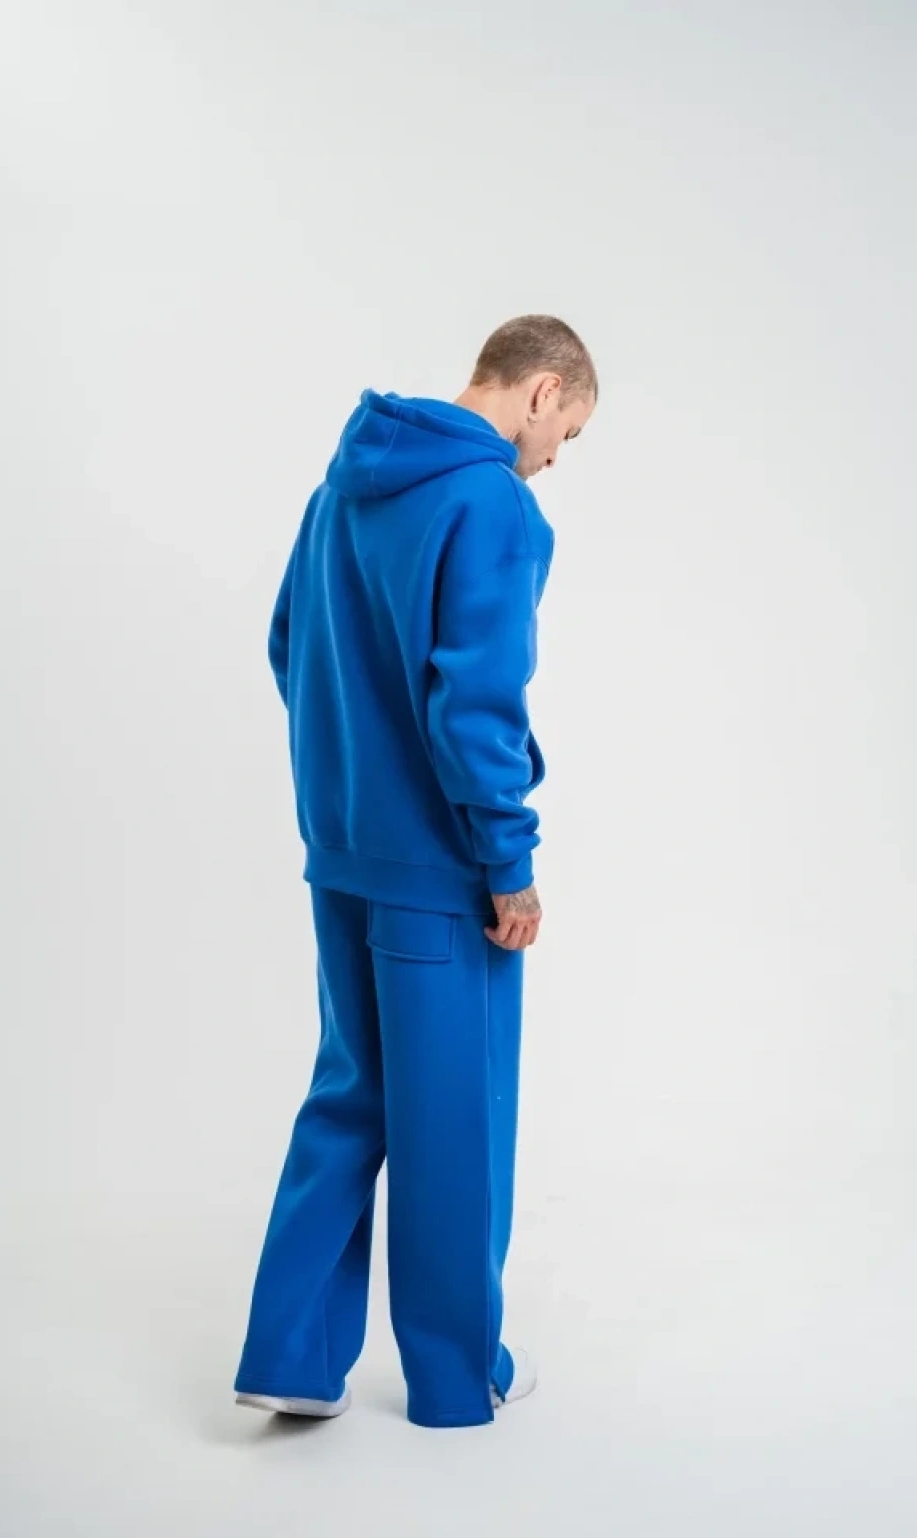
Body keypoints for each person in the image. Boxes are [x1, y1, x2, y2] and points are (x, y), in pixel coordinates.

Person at [233, 315, 597, 1429]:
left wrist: (350, 784)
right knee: (455, 1124)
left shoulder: (340, 487)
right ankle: (454, 1376)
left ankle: (291, 1354)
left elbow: (289, 644)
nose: (555, 458)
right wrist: (507, 864)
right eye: (569, 432)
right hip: (441, 874)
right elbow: (476, 704)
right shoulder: (492, 504)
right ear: (541, 391)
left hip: (342, 852)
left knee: (351, 1096)